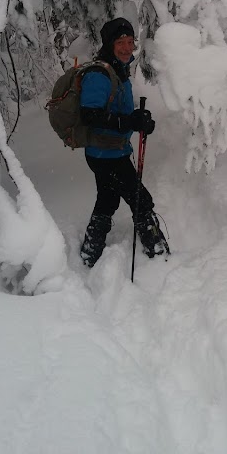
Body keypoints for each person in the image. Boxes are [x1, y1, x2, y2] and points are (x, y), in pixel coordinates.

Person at [79, 16, 167, 267]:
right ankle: (155, 245)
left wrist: (138, 121)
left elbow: (116, 111)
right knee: (140, 198)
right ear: (109, 43)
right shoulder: (99, 73)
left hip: (110, 151)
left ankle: (90, 251)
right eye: (121, 42)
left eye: (130, 41)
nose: (127, 47)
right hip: (105, 155)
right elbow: (90, 115)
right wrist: (128, 123)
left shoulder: (117, 69)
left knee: (108, 198)